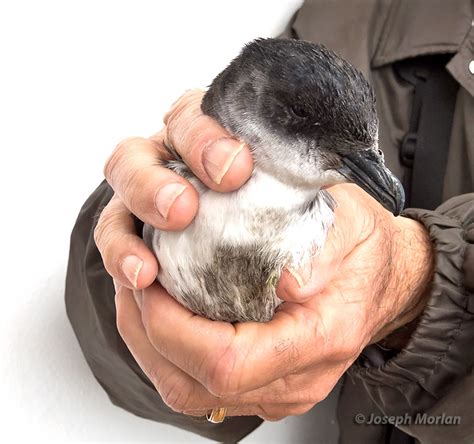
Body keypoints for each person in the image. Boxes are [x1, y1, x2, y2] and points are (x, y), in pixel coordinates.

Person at [65, 1, 474, 443]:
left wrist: (418, 285)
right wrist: (132, 231)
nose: (384, 185)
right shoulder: (361, 20)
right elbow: (203, 380)